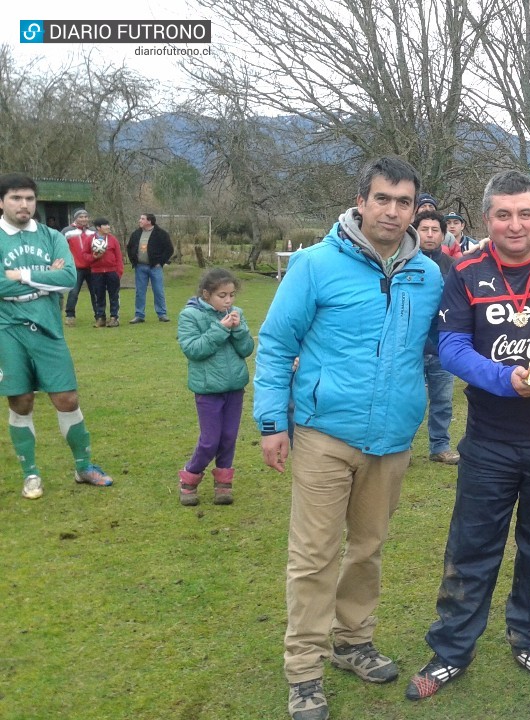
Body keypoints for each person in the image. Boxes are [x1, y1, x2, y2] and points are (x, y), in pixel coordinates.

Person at [406, 170, 530, 700]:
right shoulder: (466, 270)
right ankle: (451, 649)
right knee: (472, 546)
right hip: (492, 436)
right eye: (503, 214)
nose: (515, 224)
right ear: (486, 219)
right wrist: (505, 379)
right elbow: (450, 345)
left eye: (525, 213)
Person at [253, 156, 441, 720]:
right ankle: (304, 671)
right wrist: (270, 423)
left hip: (391, 438)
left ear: (415, 210)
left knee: (368, 548)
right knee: (313, 555)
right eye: (382, 198)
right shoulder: (314, 265)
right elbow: (277, 342)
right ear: (361, 201)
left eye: (403, 201)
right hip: (323, 434)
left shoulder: (428, 274)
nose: (392, 210)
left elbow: (441, 347)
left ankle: (353, 641)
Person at [0, 173, 113, 500]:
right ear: (2, 202)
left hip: (47, 325)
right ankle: (31, 474)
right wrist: (44, 277)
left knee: (67, 398)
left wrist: (21, 276)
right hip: (7, 329)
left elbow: (66, 278)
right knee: (21, 401)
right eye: (16, 198)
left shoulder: (51, 235)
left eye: (29, 199)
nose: (24, 205)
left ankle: (84, 467)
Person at [177, 268, 255, 507]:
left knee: (229, 436)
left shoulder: (236, 313)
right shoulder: (190, 316)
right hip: (208, 388)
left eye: (231, 295)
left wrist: (239, 329)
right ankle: (189, 479)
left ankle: (224, 482)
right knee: (210, 439)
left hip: (234, 387)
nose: (228, 300)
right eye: (222, 295)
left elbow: (246, 350)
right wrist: (221, 329)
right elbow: (194, 350)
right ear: (206, 294)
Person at [414, 209, 460, 464]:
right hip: (412, 347)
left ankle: (439, 447)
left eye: (435, 230)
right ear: (415, 232)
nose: (430, 235)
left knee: (442, 401)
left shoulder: (453, 267)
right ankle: (403, 448)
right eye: (424, 229)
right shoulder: (405, 264)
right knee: (410, 401)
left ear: (443, 235)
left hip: (442, 347)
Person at [127, 212, 174, 323]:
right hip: (140, 267)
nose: (140, 220)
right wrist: (134, 260)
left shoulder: (161, 234)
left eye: (142, 219)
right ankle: (139, 315)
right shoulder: (136, 234)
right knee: (140, 292)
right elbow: (129, 248)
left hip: (155, 267)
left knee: (158, 290)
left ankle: (162, 314)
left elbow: (169, 249)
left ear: (149, 221)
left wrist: (160, 262)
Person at [63, 208, 96, 327]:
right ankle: (70, 315)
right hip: (76, 267)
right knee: (74, 292)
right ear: (75, 218)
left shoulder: (93, 231)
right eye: (81, 217)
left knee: (95, 292)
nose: (84, 219)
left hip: (92, 267)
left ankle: (99, 315)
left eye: (86, 217)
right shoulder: (67, 231)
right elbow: (61, 248)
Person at [89, 217, 124, 328]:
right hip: (96, 272)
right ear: (98, 227)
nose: (108, 227)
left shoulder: (113, 239)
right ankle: (101, 318)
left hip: (112, 272)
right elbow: (84, 255)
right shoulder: (90, 239)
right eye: (105, 225)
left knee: (114, 295)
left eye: (108, 225)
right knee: (99, 295)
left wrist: (119, 272)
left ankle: (114, 318)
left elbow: (119, 256)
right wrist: (93, 257)